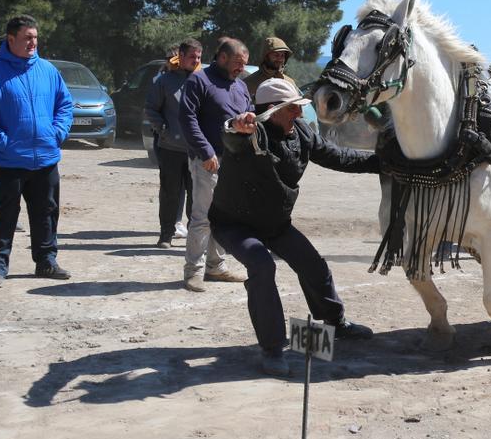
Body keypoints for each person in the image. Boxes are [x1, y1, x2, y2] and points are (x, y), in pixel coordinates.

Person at [213, 79, 379, 376]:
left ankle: (335, 324)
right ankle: (273, 349)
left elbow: (336, 156)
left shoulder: (300, 131)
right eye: (292, 109)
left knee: (313, 266)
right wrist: (237, 125)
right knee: (263, 267)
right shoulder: (250, 134)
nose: (299, 114)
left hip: (275, 223)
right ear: (271, 111)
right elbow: (231, 135)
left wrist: (382, 162)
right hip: (234, 225)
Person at [0, 15, 74, 289]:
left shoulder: (48, 71)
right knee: (4, 215)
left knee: (47, 213)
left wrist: (57, 133)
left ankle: (46, 261)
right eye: (27, 37)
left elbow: (65, 105)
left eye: (35, 38)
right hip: (10, 161)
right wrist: (2, 142)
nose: (32, 42)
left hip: (46, 158)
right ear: (12, 39)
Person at [177, 37, 252, 291]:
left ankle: (216, 267)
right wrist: (206, 151)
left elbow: (247, 113)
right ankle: (193, 271)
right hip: (207, 160)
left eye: (244, 64)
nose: (241, 68)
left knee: (225, 217)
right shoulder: (199, 81)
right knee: (203, 218)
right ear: (221, 58)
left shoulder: (240, 86)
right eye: (238, 63)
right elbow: (187, 119)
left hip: (235, 161)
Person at [144, 38, 200, 248]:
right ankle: (166, 234)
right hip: (170, 148)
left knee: (197, 196)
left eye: (198, 57)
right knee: (170, 193)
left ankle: (195, 236)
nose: (195, 61)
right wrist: (164, 130)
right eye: (192, 56)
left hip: (197, 150)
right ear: (181, 57)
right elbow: (151, 109)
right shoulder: (164, 81)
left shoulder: (203, 80)